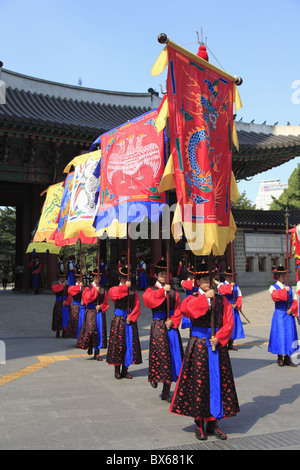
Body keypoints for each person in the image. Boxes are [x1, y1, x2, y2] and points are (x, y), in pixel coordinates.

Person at [170, 263, 240, 441]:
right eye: (204, 279)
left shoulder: (221, 300)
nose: (208, 282)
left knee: (217, 383)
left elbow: (229, 322)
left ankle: (214, 423)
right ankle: (199, 423)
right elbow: (186, 311)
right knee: (199, 384)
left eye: (210, 279)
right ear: (198, 282)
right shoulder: (192, 298)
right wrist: (204, 299)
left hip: (216, 345)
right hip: (198, 346)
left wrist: (221, 337)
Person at [143, 259, 183, 403]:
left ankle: (166, 391)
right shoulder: (151, 290)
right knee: (160, 355)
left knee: (171, 357)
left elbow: (179, 308)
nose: (164, 276)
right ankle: (155, 376)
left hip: (170, 326)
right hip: (158, 326)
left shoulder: (173, 292)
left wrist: (173, 321)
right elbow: (148, 301)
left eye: (165, 274)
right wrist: (161, 292)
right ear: (156, 276)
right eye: (161, 274)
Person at [107, 265, 142, 379]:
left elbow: (137, 306)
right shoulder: (114, 289)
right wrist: (125, 288)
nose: (127, 279)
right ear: (119, 279)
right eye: (124, 277)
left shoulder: (133, 292)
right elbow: (114, 295)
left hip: (129, 320)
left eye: (128, 277)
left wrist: (131, 317)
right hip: (119, 320)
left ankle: (125, 369)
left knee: (129, 345)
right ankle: (117, 369)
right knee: (118, 345)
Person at [268, 265, 298, 367]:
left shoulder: (289, 288)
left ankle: (288, 358)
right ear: (277, 276)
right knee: (280, 335)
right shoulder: (273, 287)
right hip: (279, 314)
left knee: (290, 335)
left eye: (285, 274)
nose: (284, 277)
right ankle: (280, 357)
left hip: (288, 313)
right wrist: (285, 291)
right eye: (282, 275)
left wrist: (292, 309)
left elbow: (295, 301)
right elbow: (275, 297)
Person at [76, 272, 109, 361]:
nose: (97, 278)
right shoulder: (88, 288)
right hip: (90, 311)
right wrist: (95, 291)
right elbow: (86, 298)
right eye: (96, 276)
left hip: (99, 313)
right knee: (91, 329)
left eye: (99, 276)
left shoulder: (103, 290)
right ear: (93, 277)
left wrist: (101, 306)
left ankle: (97, 352)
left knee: (99, 331)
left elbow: (106, 302)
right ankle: (90, 345)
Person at [218, 267, 244, 350]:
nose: (229, 278)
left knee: (234, 325)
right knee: (225, 325)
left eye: (231, 276)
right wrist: (230, 286)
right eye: (228, 276)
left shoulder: (236, 286)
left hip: (233, 308)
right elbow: (221, 291)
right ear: (225, 277)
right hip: (225, 308)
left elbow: (239, 296)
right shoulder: (221, 284)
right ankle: (224, 343)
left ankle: (231, 343)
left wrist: (237, 304)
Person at [64, 272, 85, 339]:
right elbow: (70, 291)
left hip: (83, 306)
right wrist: (79, 287)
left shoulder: (84, 287)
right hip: (76, 306)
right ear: (76, 279)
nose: (79, 279)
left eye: (80, 278)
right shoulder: (72, 287)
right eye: (78, 278)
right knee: (75, 322)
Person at [51, 274, 72, 338]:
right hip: (58, 303)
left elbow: (70, 295)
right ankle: (58, 332)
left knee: (66, 317)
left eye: (63, 278)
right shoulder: (55, 284)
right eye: (61, 278)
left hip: (65, 303)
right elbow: (54, 289)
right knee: (58, 317)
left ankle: (64, 332)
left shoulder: (67, 286)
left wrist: (66, 302)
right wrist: (61, 286)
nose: (63, 279)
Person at [180, 265, 198, 331]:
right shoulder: (184, 282)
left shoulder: (196, 282)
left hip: (196, 300)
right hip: (189, 300)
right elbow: (188, 286)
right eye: (191, 275)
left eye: (193, 275)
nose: (193, 276)